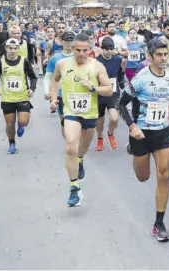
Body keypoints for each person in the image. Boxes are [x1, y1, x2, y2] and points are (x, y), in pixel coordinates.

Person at [117, 38, 169, 242]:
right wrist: (132, 126)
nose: (163, 58)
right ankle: (132, 148)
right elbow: (121, 104)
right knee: (143, 177)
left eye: (165, 54)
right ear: (149, 57)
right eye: (158, 55)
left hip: (162, 132)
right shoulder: (140, 79)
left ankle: (159, 223)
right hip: (141, 134)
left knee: (164, 174)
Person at [49, 33, 113, 207]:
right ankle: (74, 188)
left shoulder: (97, 66)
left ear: (90, 50)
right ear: (72, 48)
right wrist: (54, 97)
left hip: (90, 114)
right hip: (70, 111)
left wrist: (93, 87)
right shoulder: (62, 64)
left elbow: (108, 89)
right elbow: (55, 81)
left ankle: (79, 160)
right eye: (78, 50)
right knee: (70, 145)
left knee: (81, 149)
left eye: (85, 50)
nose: (81, 54)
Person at [0, 38, 38, 154]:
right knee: (10, 124)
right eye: (10, 48)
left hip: (22, 97)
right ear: (6, 49)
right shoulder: (0, 63)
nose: (12, 51)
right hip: (7, 98)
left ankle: (21, 126)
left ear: (18, 50)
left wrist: (32, 88)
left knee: (23, 121)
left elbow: (33, 77)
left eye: (15, 48)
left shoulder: (24, 61)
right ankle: (12, 142)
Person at [95, 37, 127, 151]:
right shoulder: (96, 61)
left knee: (114, 117)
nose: (109, 51)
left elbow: (120, 75)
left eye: (111, 49)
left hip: (113, 93)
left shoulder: (117, 60)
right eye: (106, 49)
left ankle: (110, 133)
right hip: (99, 93)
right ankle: (99, 138)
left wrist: (122, 82)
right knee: (100, 119)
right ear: (102, 49)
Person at [43, 31, 76, 129]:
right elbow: (48, 76)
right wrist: (46, 91)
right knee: (65, 123)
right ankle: (69, 142)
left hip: (77, 93)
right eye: (66, 41)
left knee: (77, 122)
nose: (69, 43)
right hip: (61, 94)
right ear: (62, 42)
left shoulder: (79, 57)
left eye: (71, 41)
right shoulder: (55, 59)